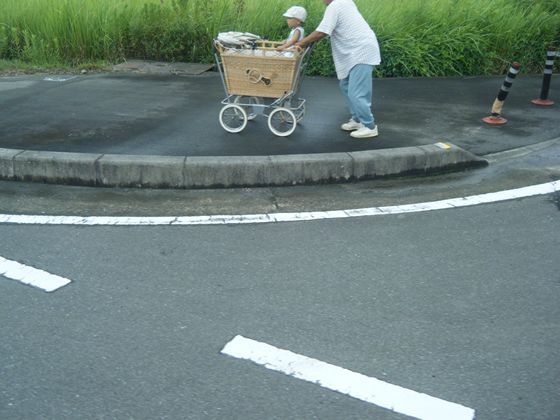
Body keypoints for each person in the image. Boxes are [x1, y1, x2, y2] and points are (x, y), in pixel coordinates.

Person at [296, 0, 381, 139]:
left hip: (362, 51)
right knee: (346, 85)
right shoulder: (344, 3)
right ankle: (358, 119)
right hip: (356, 50)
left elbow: (322, 31)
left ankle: (370, 126)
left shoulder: (336, 5)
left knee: (357, 91)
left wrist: (301, 42)